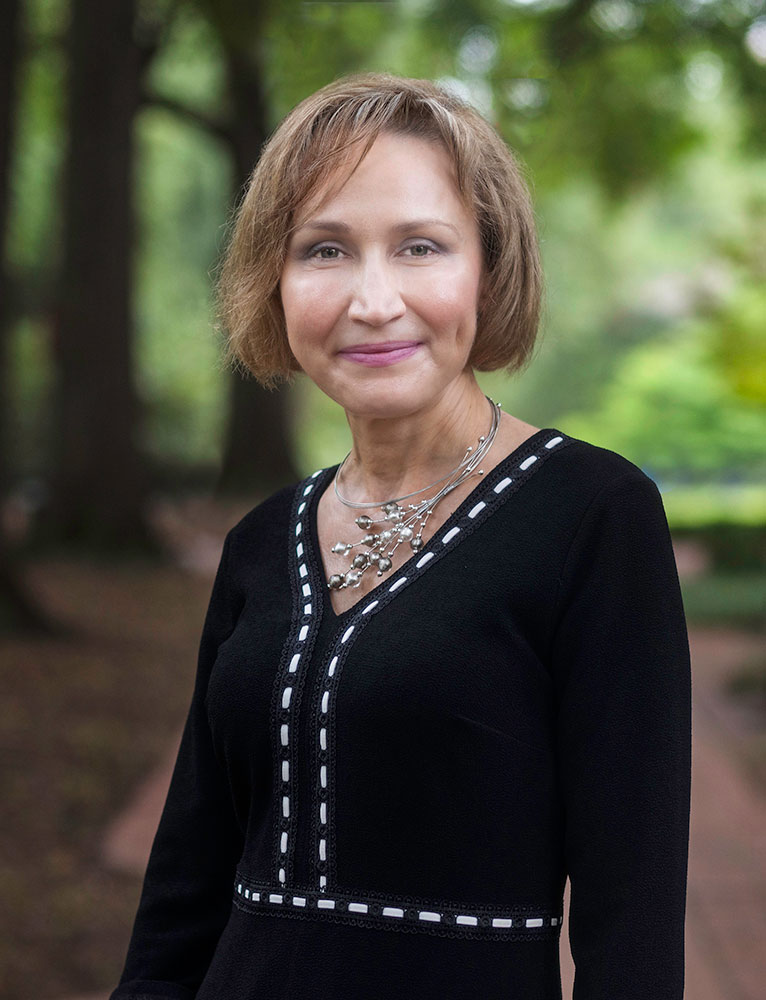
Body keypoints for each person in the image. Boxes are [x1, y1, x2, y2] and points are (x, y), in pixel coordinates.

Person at [109, 72, 691, 1000]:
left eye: (421, 246)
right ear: (275, 280)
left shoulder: (593, 515)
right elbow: (186, 883)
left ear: (489, 267)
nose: (374, 301)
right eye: (325, 250)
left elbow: (635, 912)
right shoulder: (260, 541)